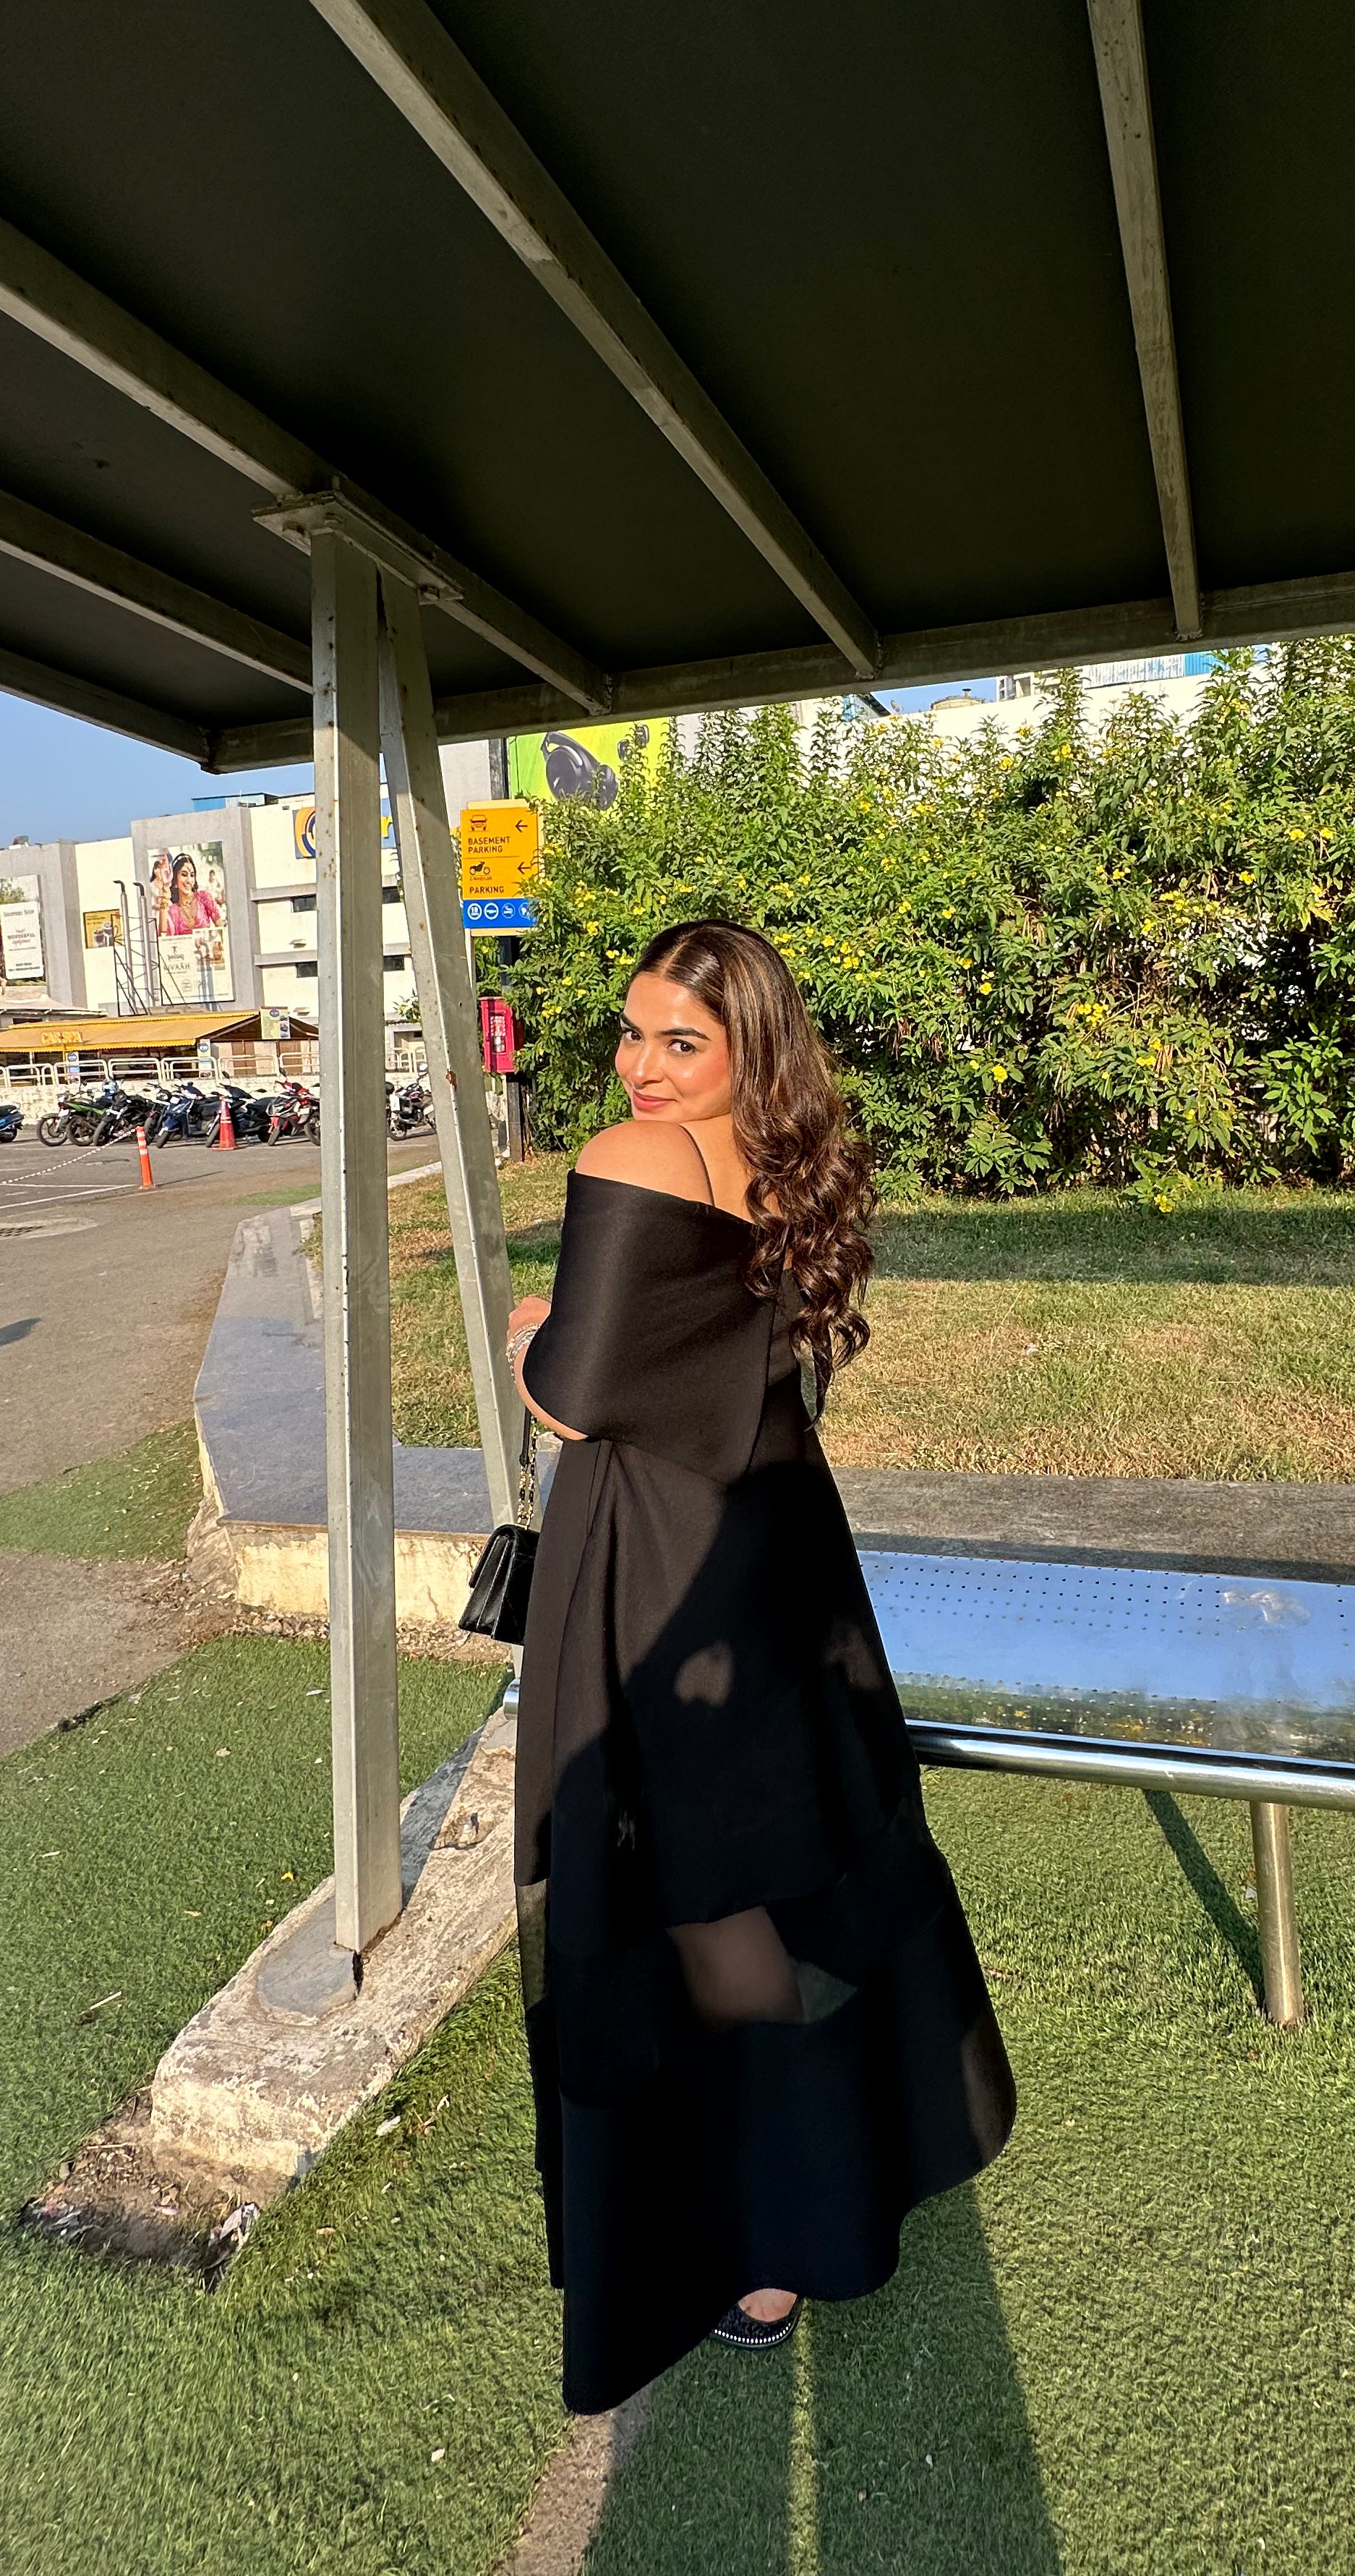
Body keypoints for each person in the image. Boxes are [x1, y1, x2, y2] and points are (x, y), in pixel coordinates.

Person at [505, 919, 1014, 2414]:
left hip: (660, 1577)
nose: (641, 1065)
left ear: (747, 1048)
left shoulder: (636, 1158)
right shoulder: (792, 1170)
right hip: (780, 1560)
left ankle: (769, 2231)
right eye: (632, 1033)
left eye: (682, 1040)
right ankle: (820, 2186)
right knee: (761, 1882)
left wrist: (538, 1337)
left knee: (698, 1898)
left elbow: (578, 1399)